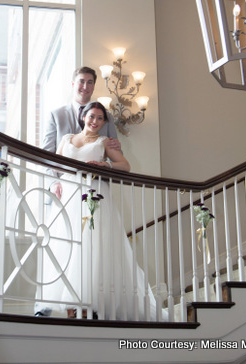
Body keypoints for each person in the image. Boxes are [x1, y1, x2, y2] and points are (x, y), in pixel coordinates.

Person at [45, 102, 165, 322]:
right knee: (67, 247)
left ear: (104, 122)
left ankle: (89, 306)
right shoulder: (66, 139)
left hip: (93, 194)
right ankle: (71, 307)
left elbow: (125, 166)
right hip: (69, 195)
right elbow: (57, 164)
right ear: (84, 117)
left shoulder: (104, 142)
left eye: (100, 118)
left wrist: (105, 166)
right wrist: (57, 182)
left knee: (92, 247)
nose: (95, 121)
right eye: (92, 116)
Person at [42, 66, 120, 153]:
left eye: (90, 82)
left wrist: (107, 162)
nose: (85, 86)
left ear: (93, 86)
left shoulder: (107, 116)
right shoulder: (55, 115)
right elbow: (46, 154)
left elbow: (117, 155)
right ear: (72, 84)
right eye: (81, 81)